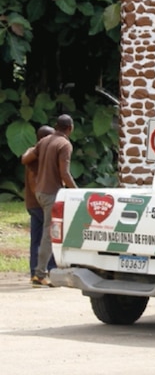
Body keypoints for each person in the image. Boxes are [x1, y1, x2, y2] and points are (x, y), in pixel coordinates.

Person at [32, 114, 78, 287]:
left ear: (56, 125)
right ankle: (40, 274)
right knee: (49, 235)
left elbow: (31, 157)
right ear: (70, 128)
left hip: (40, 191)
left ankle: (52, 268)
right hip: (52, 193)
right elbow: (64, 173)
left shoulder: (44, 141)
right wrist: (77, 192)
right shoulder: (64, 144)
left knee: (49, 232)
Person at [21, 125, 55, 283]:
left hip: (31, 203)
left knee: (36, 239)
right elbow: (34, 181)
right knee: (49, 236)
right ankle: (49, 271)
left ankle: (35, 273)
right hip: (40, 203)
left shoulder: (33, 153)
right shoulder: (38, 157)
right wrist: (43, 201)